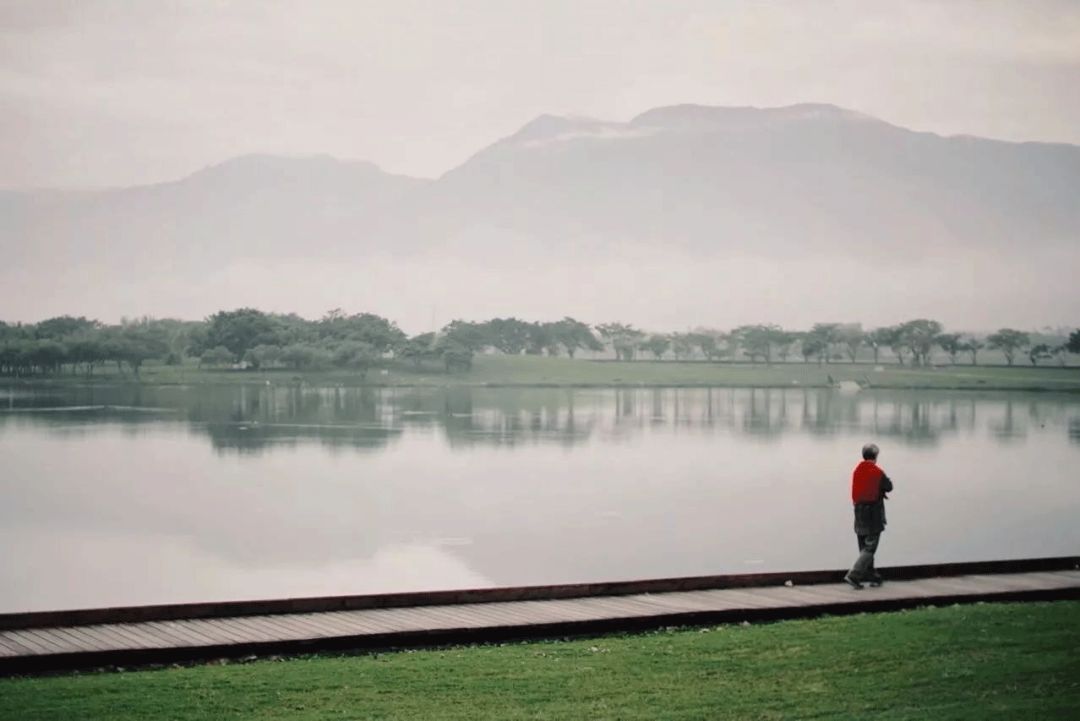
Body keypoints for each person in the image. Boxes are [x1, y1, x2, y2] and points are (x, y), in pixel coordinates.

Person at [843, 443, 893, 590]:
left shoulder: (856, 471)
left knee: (864, 546)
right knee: (870, 547)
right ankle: (853, 575)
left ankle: (873, 576)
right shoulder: (877, 471)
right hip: (873, 512)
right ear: (875, 456)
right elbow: (889, 486)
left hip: (858, 510)